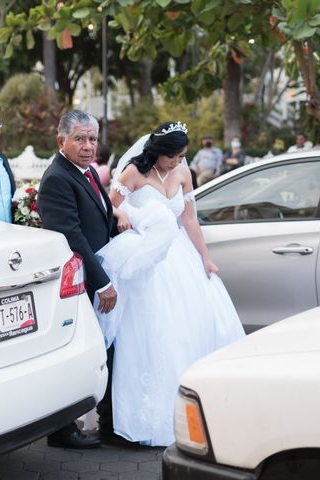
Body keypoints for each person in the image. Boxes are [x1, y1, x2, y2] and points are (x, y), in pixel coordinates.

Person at [96, 121, 245, 447]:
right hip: (145, 257)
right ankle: (145, 414)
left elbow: (188, 218)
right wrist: (124, 216)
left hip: (180, 257)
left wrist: (205, 257)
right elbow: (110, 203)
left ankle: (191, 410)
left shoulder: (183, 174)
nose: (178, 162)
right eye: (173, 157)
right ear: (158, 153)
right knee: (151, 334)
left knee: (189, 330)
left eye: (182, 156)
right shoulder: (135, 172)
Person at [37, 110, 118, 449]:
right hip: (77, 281)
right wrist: (102, 282)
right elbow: (71, 234)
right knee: (74, 353)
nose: (88, 146)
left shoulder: (86, 173)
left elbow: (100, 218)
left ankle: (107, 419)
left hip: (94, 273)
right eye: (80, 139)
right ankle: (61, 430)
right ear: (62, 141)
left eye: (92, 139)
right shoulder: (58, 177)